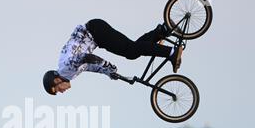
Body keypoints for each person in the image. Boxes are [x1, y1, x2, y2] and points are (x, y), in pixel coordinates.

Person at [42, 19, 183, 95]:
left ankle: (171, 52)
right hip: (96, 33)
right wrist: (109, 73)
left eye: (57, 89)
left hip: (95, 32)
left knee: (131, 51)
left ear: (57, 80)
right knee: (132, 49)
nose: (61, 92)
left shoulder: (66, 68)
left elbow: (87, 57)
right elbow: (89, 66)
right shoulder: (68, 73)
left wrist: (107, 66)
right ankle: (162, 31)